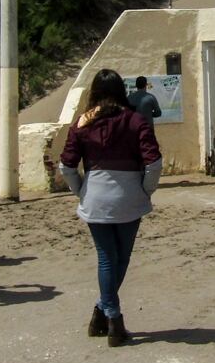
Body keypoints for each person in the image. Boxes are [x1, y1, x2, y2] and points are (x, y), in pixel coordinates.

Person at [59, 68, 162, 347]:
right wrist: (145, 189)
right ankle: (110, 318)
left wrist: (81, 190)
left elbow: (66, 165)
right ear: (121, 90)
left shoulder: (82, 122)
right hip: (129, 196)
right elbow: (153, 163)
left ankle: (105, 314)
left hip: (95, 196)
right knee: (121, 259)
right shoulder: (135, 120)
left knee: (106, 258)